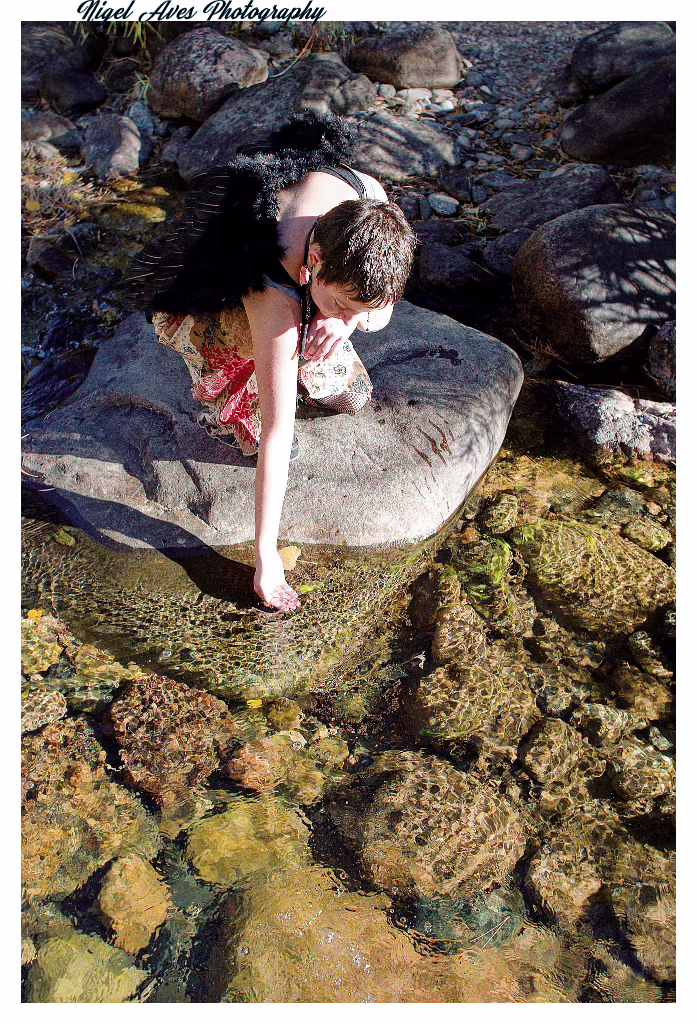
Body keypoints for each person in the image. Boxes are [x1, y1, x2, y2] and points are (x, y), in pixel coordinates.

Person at [128, 113, 416, 612]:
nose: (350, 317)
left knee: (352, 394)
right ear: (315, 263)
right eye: (342, 304)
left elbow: (381, 311)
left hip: (307, 282)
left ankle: (316, 331)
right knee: (258, 433)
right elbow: (279, 433)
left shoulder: (370, 203)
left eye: (357, 307)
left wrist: (345, 322)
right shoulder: (273, 287)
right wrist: (265, 556)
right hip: (216, 293)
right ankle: (233, 375)